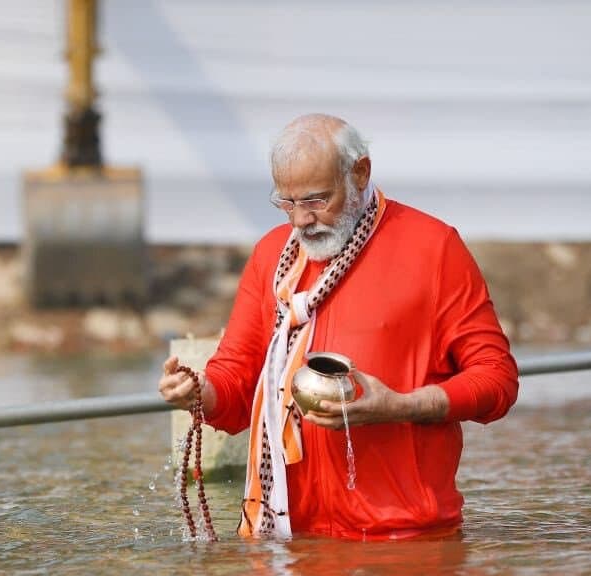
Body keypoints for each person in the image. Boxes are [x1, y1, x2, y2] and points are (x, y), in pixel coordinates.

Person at [158, 113, 518, 541]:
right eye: (286, 203)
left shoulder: (434, 248)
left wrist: (402, 406)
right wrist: (199, 390)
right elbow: (237, 380)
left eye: (315, 200)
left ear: (360, 172)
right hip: (286, 537)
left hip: (402, 539)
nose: (300, 221)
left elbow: (498, 380)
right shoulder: (271, 256)